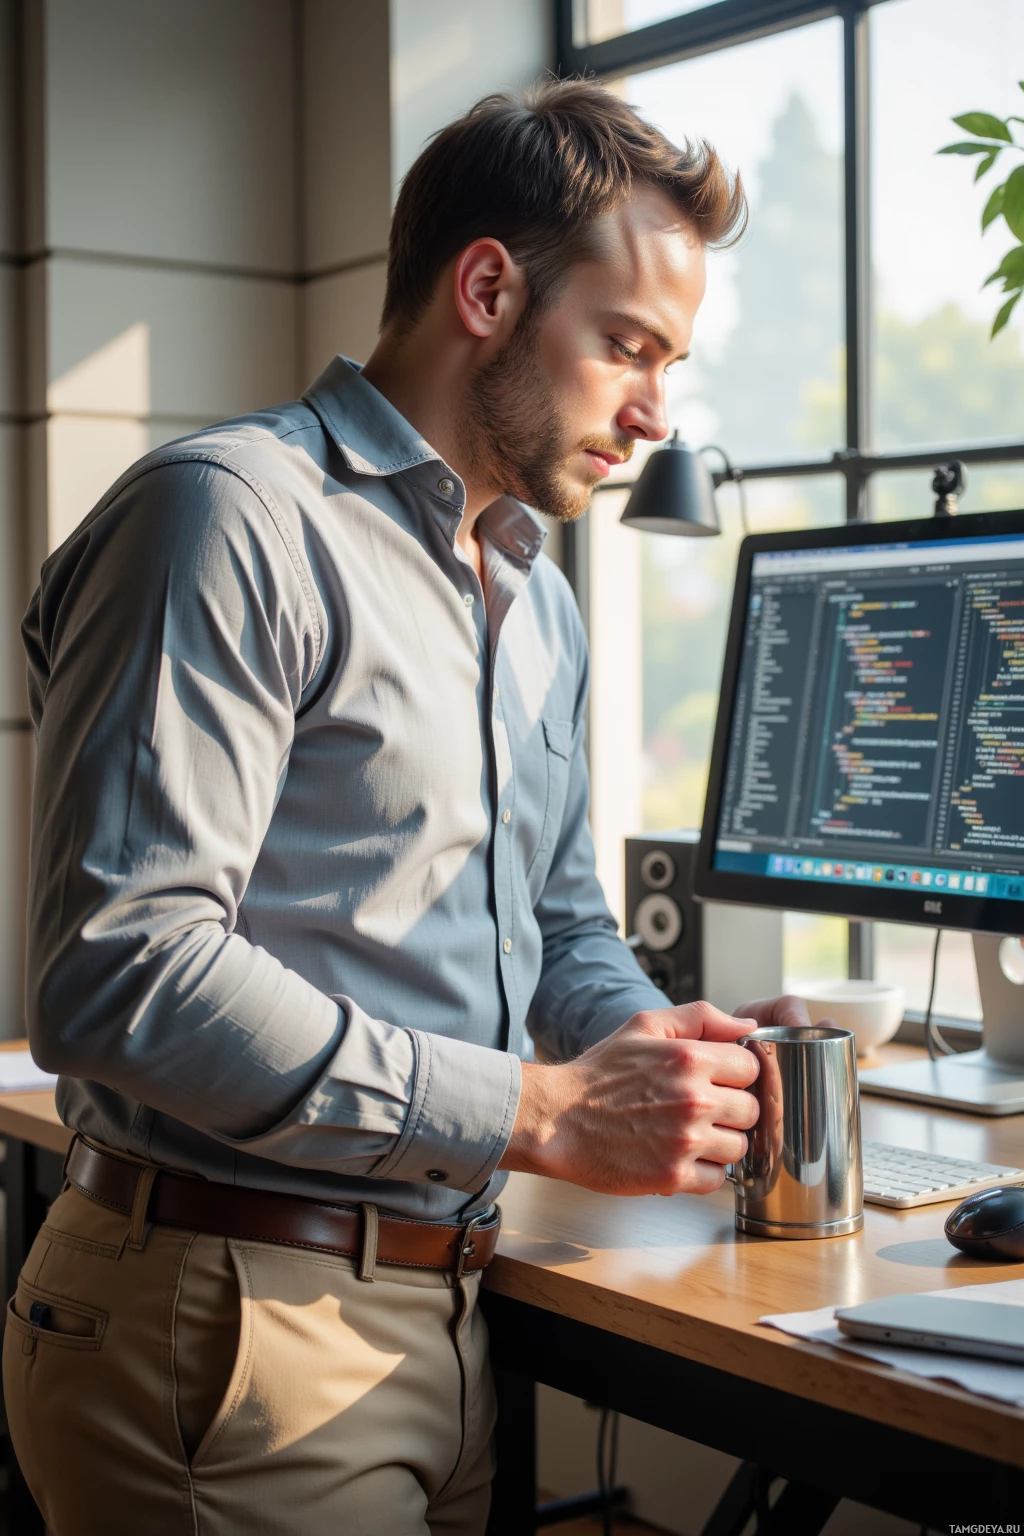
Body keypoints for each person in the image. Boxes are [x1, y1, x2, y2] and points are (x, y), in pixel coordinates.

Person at [5, 78, 808, 1535]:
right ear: (489, 289)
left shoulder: (539, 607)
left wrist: (653, 1047)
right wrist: (544, 1111)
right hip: (230, 1326)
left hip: (447, 1319)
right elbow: (120, 971)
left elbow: (559, 927)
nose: (651, 413)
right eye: (628, 347)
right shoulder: (229, 518)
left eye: (671, 365)